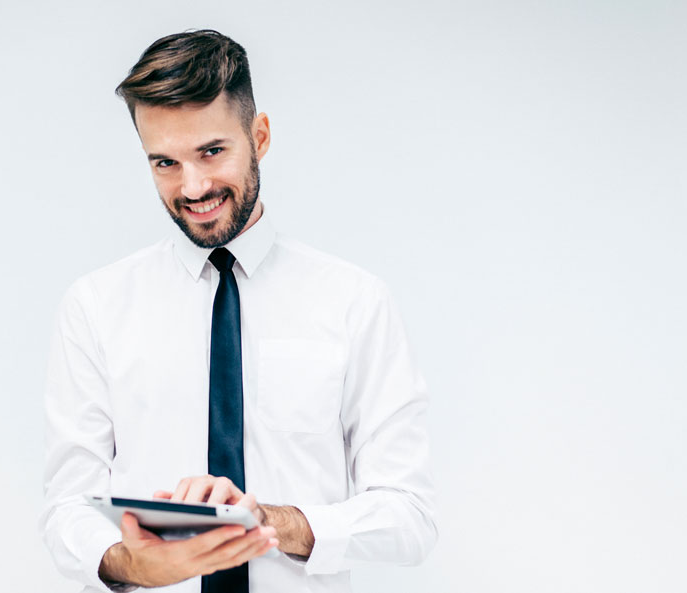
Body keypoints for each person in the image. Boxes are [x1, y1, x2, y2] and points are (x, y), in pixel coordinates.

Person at [39, 29, 437, 593]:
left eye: (211, 151)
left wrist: (270, 523)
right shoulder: (95, 307)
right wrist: (131, 563)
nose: (193, 186)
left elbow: (409, 516)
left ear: (260, 135)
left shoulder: (354, 302)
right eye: (164, 163)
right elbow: (66, 506)